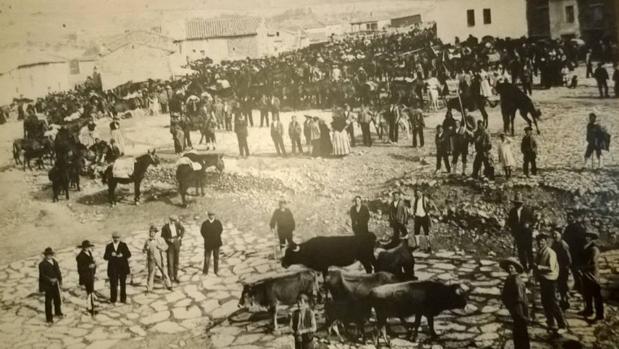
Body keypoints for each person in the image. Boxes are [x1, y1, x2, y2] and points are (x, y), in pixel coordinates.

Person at [534, 233, 567, 335]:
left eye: (542, 241)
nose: (540, 243)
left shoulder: (550, 252)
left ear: (546, 242)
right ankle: (550, 321)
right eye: (539, 242)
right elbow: (536, 264)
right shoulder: (539, 252)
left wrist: (539, 267)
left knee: (553, 303)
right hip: (543, 279)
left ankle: (562, 325)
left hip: (550, 280)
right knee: (545, 302)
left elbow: (551, 268)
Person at [500, 258, 530, 349]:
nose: (510, 269)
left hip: (519, 311)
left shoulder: (516, 281)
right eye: (509, 268)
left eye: (512, 267)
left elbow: (519, 300)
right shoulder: (510, 279)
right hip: (515, 310)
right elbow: (505, 295)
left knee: (521, 332)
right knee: (518, 333)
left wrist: (521, 315)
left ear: (516, 269)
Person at [578, 231, 604, 322]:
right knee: (587, 293)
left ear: (592, 238)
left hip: (592, 274)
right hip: (586, 273)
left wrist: (582, 268)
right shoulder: (586, 247)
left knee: (596, 294)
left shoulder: (594, 249)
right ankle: (589, 310)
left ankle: (599, 315)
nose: (586, 238)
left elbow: (593, 263)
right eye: (586, 236)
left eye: (589, 237)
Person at [507, 193, 536, 272]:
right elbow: (510, 222)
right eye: (516, 202)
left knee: (528, 251)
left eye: (519, 203)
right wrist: (513, 230)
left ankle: (531, 266)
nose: (517, 204)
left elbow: (533, 220)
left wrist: (528, 224)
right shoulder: (512, 211)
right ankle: (524, 266)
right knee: (521, 251)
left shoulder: (527, 210)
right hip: (518, 234)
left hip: (527, 234)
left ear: (521, 203)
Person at [103, 232, 131, 305]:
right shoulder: (109, 246)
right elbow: (105, 257)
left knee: (123, 284)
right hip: (113, 269)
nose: (116, 239)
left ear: (120, 238)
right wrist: (110, 255)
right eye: (114, 237)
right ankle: (113, 299)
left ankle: (123, 299)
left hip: (122, 268)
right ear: (112, 238)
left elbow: (129, 254)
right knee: (113, 284)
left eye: (117, 237)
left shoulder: (123, 245)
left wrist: (123, 255)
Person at [143, 225, 173, 292]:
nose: (151, 234)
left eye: (152, 232)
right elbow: (143, 250)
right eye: (150, 232)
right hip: (151, 259)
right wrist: (145, 249)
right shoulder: (147, 241)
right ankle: (149, 288)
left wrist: (160, 248)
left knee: (164, 272)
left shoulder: (160, 239)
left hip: (160, 259)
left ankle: (169, 285)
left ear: (155, 233)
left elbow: (166, 247)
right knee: (151, 273)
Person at [39, 247, 63, 325]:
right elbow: (42, 276)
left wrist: (60, 280)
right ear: (45, 255)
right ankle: (49, 319)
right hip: (48, 285)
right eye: (48, 255)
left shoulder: (54, 262)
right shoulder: (42, 264)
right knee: (48, 302)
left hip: (55, 284)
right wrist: (50, 280)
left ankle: (58, 312)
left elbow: (58, 271)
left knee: (57, 299)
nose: (49, 256)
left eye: (51, 254)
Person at [563, 212, 586, 292]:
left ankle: (581, 285)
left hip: (576, 252)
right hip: (572, 251)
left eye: (570, 217)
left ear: (574, 218)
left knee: (577, 269)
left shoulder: (577, 228)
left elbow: (582, 240)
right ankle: (578, 285)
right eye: (568, 217)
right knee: (574, 269)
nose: (569, 219)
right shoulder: (568, 228)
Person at [551, 228, 572, 310]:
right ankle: (562, 301)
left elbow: (568, 259)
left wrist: (566, 267)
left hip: (562, 268)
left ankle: (565, 302)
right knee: (560, 286)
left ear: (560, 234)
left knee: (563, 285)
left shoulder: (563, 244)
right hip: (557, 267)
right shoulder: (554, 243)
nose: (554, 235)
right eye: (553, 234)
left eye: (556, 234)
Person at [76, 240, 97, 316]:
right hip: (86, 277)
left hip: (91, 275)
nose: (87, 248)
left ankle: (92, 306)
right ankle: (90, 308)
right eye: (86, 247)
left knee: (91, 292)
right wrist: (88, 267)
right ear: (83, 247)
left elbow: (92, 263)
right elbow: (80, 269)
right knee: (89, 292)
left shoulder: (89, 253)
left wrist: (94, 267)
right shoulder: (80, 256)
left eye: (88, 247)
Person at [161, 215, 184, 283]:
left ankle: (176, 276)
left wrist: (180, 237)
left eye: (175, 221)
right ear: (170, 220)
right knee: (170, 262)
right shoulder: (165, 227)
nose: (174, 222)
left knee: (176, 261)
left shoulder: (177, 224)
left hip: (177, 243)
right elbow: (163, 236)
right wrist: (168, 239)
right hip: (170, 245)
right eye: (172, 221)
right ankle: (170, 277)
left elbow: (183, 229)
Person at [201, 211, 223, 275]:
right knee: (207, 258)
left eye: (213, 215)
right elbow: (202, 232)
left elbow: (220, 230)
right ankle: (205, 272)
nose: (211, 216)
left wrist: (216, 236)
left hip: (216, 243)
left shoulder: (218, 222)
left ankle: (216, 271)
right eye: (210, 215)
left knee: (216, 258)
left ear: (214, 215)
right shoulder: (205, 223)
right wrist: (207, 238)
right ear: (208, 216)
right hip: (208, 243)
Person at [412, 186, 433, 252]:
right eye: (417, 193)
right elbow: (412, 207)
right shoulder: (415, 199)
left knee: (426, 232)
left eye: (419, 192)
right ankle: (417, 246)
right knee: (416, 232)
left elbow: (431, 205)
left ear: (421, 193)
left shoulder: (425, 198)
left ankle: (429, 247)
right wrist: (413, 214)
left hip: (424, 216)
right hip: (417, 217)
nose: (418, 194)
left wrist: (428, 211)